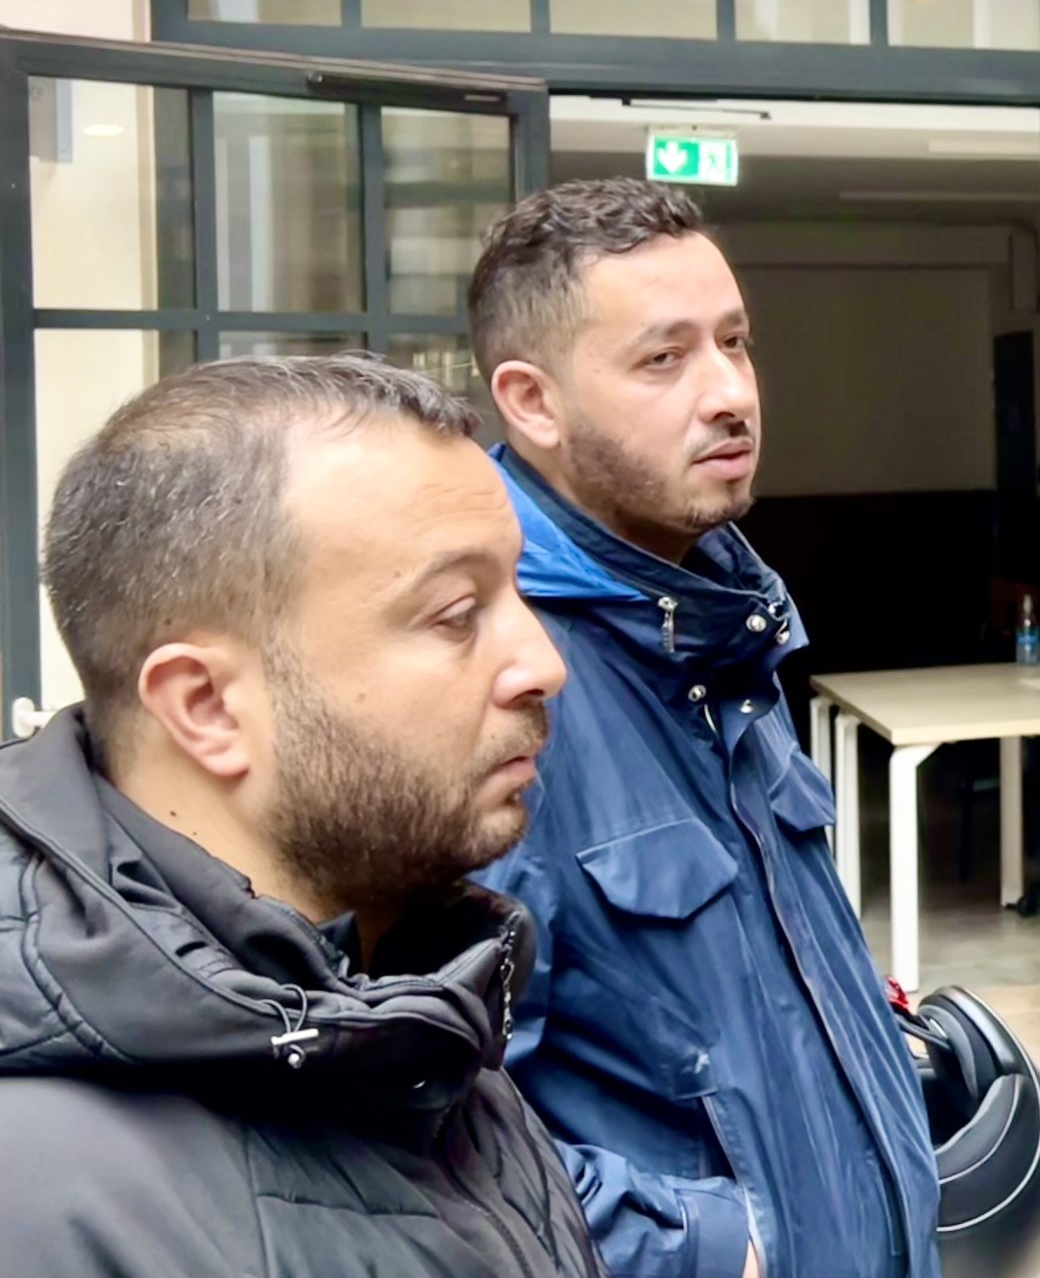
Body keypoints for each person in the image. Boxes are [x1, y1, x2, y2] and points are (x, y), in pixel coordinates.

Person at [0, 355, 602, 1276]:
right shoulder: (44, 1208)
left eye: (517, 590)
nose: (540, 663)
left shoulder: (419, 1013)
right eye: (454, 614)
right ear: (205, 706)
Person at [464, 178, 940, 1278]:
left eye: (736, 342)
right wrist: (723, 1250)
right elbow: (430, 1125)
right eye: (663, 359)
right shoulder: (483, 682)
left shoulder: (721, 622)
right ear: (532, 402)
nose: (730, 392)